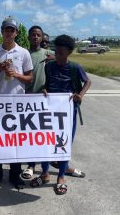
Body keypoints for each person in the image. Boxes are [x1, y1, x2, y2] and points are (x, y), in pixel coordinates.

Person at [30, 34, 91, 195]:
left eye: (61, 52)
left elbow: (88, 81)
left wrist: (80, 95)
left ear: (69, 52)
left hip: (68, 113)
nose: (57, 55)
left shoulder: (75, 68)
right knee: (45, 142)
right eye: (56, 51)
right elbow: (47, 84)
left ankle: (61, 177)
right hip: (49, 112)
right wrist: (44, 88)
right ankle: (44, 174)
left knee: (63, 144)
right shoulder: (49, 66)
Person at [0, 16, 33, 190]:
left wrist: (17, 75)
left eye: (12, 30)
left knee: (16, 141)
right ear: (1, 31)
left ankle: (15, 174)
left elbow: (30, 78)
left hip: (17, 103)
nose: (9, 33)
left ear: (16, 33)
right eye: (6, 29)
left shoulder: (23, 53)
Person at [20, 25, 54, 180]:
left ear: (42, 38)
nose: (35, 37)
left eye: (38, 35)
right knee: (29, 136)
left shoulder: (49, 54)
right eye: (32, 35)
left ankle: (45, 169)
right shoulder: (22, 54)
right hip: (25, 99)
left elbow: (64, 63)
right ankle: (31, 165)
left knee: (43, 135)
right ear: (28, 37)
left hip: (43, 101)